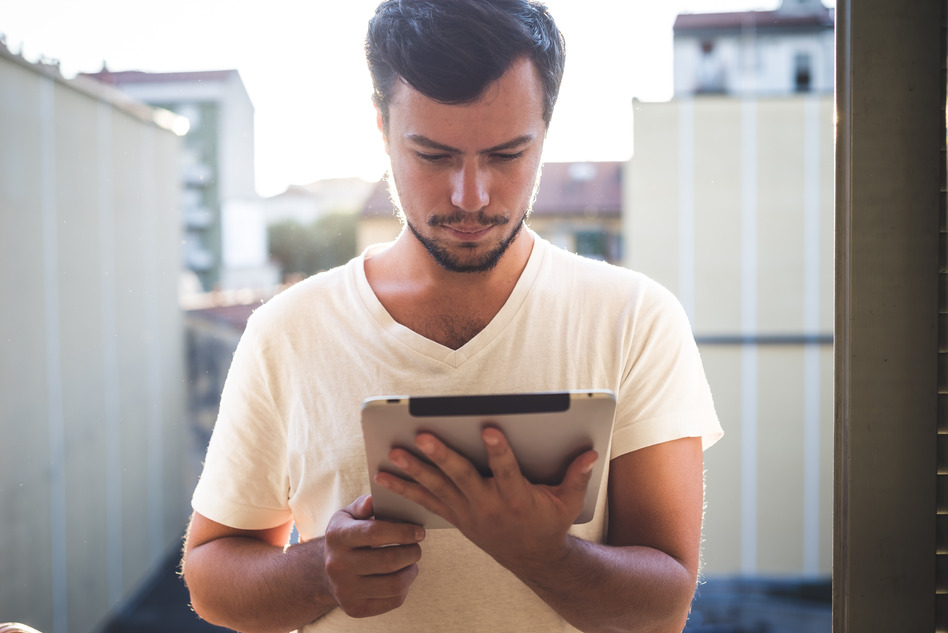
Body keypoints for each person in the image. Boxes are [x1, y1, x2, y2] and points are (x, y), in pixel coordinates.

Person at [181, 1, 722, 632]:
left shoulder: (635, 322)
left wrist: (541, 554)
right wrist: (319, 570)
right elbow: (212, 578)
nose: (471, 196)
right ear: (381, 127)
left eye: (507, 154)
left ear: (546, 130)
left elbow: (663, 611)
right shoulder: (287, 332)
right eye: (434, 156)